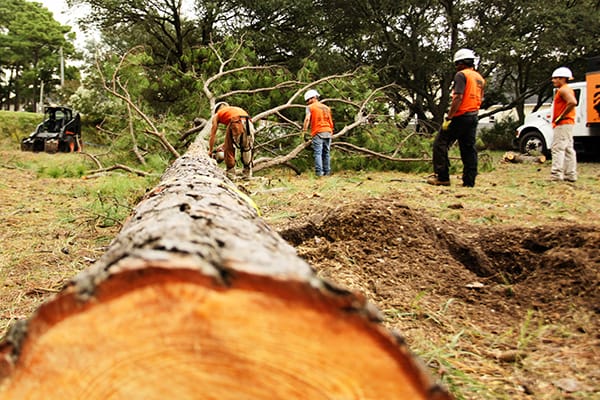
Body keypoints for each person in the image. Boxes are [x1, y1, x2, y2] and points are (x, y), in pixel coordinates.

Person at [428, 48, 485, 187]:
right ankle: (469, 181)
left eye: (456, 64)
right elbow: (481, 97)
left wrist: (449, 117)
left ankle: (442, 177)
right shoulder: (479, 78)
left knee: (440, 143)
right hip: (473, 116)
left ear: (461, 63)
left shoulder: (461, 75)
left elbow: (458, 97)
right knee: (468, 148)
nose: (456, 67)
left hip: (460, 115)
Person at [208, 102, 255, 178]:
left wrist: (210, 151)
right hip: (248, 122)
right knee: (247, 148)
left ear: (217, 110)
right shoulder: (234, 109)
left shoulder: (217, 115)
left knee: (228, 148)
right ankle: (247, 174)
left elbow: (213, 135)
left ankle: (231, 175)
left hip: (236, 122)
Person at [549, 67, 578, 182]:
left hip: (563, 123)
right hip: (568, 123)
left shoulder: (563, 90)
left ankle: (556, 174)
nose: (553, 80)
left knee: (557, 148)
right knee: (568, 149)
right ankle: (570, 174)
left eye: (555, 78)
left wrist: (561, 116)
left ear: (563, 79)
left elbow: (572, 102)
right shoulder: (566, 89)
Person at [302, 89, 334, 177]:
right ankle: (327, 172)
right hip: (328, 130)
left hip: (318, 132)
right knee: (326, 153)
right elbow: (330, 121)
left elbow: (307, 119)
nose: (307, 102)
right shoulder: (326, 107)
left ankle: (319, 173)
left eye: (308, 100)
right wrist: (330, 131)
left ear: (313, 98)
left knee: (318, 153)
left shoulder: (310, 108)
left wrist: (304, 131)